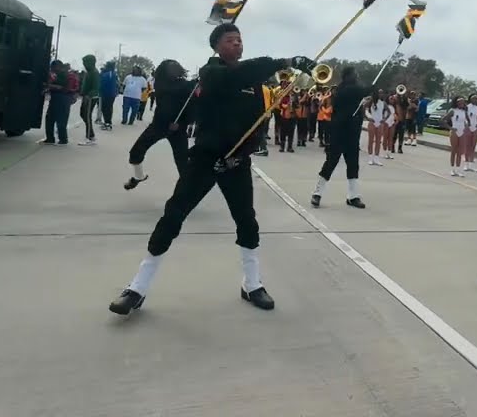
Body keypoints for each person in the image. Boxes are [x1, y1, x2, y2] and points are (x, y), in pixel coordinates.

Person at [108, 23, 316, 315]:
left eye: (240, 40)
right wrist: (286, 63)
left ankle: (252, 284)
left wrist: (240, 155)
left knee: (247, 221)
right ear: (217, 46)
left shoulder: (252, 82)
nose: (238, 45)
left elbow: (257, 124)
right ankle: (137, 288)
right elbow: (238, 74)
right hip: (204, 159)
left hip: (235, 163)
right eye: (231, 41)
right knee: (172, 217)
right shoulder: (211, 73)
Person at [124, 59, 196, 190]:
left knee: (183, 163)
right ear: (163, 71)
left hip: (178, 129)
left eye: (175, 66)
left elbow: (191, 107)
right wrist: (192, 84)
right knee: (135, 152)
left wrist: (182, 123)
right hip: (159, 126)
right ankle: (139, 176)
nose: (173, 69)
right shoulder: (161, 84)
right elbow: (169, 99)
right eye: (170, 67)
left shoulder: (187, 86)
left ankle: (188, 191)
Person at [311, 67, 370, 208]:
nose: (357, 76)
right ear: (348, 76)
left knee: (353, 165)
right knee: (331, 162)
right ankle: (317, 193)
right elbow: (360, 91)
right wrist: (369, 89)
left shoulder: (354, 91)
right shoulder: (342, 90)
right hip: (339, 133)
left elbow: (362, 93)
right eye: (354, 74)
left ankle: (353, 196)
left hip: (352, 134)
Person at [41, 59, 75, 145]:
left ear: (58, 67)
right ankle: (51, 138)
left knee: (61, 120)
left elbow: (63, 88)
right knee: (50, 119)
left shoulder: (64, 74)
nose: (52, 69)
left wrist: (51, 86)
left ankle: (62, 139)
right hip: (56, 99)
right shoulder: (59, 74)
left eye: (53, 67)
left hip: (62, 99)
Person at [78, 54, 99, 146]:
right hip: (85, 96)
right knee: (83, 114)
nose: (84, 64)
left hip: (90, 98)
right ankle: (91, 135)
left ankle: (90, 138)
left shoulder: (94, 72)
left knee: (87, 116)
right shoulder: (88, 72)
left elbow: (96, 87)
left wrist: (89, 96)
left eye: (85, 62)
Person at [447, 97, 467, 176]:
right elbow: (443, 120)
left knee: (460, 151)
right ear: (456, 103)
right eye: (459, 102)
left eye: (463, 102)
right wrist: (450, 128)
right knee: (454, 150)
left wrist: (466, 126)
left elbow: (464, 121)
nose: (461, 104)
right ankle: (452, 169)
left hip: (461, 132)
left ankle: (458, 169)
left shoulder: (464, 111)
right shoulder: (452, 111)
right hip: (454, 132)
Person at [463, 95, 477, 171]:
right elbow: (464, 117)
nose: (475, 100)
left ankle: (471, 165)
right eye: (474, 99)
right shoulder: (467, 107)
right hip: (468, 128)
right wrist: (466, 124)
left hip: (475, 128)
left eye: (476, 99)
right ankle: (466, 164)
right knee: (467, 146)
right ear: (470, 100)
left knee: (473, 146)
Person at [98, 61, 119, 130]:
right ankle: (107, 122)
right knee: (108, 108)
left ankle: (108, 123)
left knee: (106, 109)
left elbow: (102, 83)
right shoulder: (113, 73)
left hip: (106, 94)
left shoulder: (108, 74)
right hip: (111, 94)